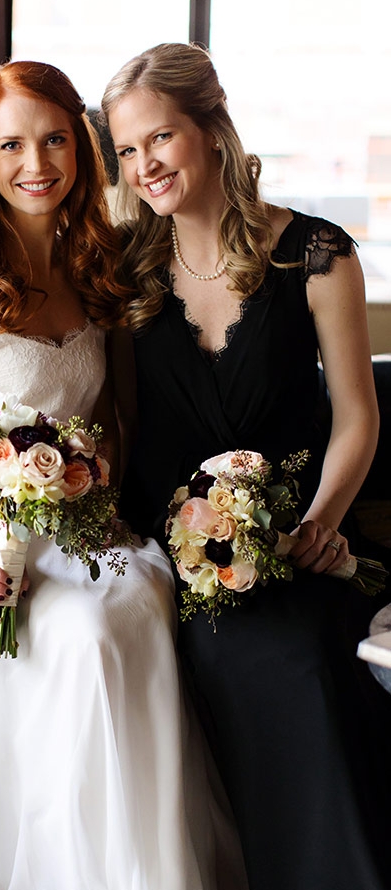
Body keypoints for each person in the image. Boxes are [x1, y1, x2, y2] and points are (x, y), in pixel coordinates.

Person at [0, 60, 247, 890]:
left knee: (140, 594)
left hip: (81, 512)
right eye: (11, 146)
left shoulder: (100, 270)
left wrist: (101, 500)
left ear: (81, 148)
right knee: (80, 634)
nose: (37, 164)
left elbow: (117, 422)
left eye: (55, 140)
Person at [101, 42, 391, 890]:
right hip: (169, 550)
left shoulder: (317, 253)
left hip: (299, 542)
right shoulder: (124, 268)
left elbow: (357, 414)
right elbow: (117, 417)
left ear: (211, 128)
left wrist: (320, 523)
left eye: (160, 137)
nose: (145, 166)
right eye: (126, 149)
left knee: (306, 658)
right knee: (232, 651)